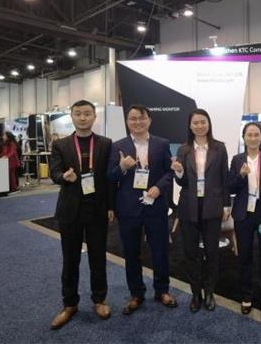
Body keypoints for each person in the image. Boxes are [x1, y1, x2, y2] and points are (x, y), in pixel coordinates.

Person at [49, 99, 114, 330]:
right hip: (70, 209)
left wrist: (111, 206)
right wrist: (63, 177)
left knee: (98, 257)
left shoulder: (105, 143)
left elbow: (109, 178)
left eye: (87, 113)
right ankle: (69, 304)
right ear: (72, 116)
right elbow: (54, 172)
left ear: (94, 116)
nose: (83, 117)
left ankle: (99, 300)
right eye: (78, 113)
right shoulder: (61, 144)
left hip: (97, 209)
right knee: (70, 259)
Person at [107, 104, 177, 315]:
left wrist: (159, 187)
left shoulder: (161, 144)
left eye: (141, 118)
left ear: (149, 120)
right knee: (131, 252)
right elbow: (110, 177)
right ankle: (136, 293)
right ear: (127, 122)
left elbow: (169, 172)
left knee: (160, 250)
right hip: (128, 208)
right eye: (133, 118)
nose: (137, 122)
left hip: (156, 206)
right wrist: (122, 167)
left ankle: (162, 290)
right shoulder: (117, 146)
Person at [171, 109, 230, 313]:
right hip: (189, 206)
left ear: (208, 123)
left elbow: (224, 178)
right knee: (191, 252)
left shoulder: (219, 148)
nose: (199, 126)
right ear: (190, 125)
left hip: (212, 205)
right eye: (195, 122)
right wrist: (179, 172)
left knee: (212, 252)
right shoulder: (184, 149)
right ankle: (196, 293)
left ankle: (210, 291)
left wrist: (226, 205)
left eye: (203, 122)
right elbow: (181, 182)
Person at [228, 122, 261, 315]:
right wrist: (240, 175)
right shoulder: (237, 160)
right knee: (245, 256)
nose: (253, 138)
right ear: (244, 137)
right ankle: (246, 295)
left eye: (257, 134)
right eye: (249, 135)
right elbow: (230, 187)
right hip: (243, 214)